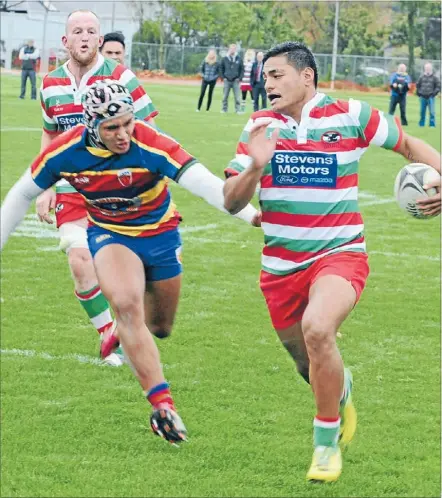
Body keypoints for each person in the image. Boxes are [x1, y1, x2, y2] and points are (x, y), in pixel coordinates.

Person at [222, 41, 441, 482]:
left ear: (307, 77)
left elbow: (408, 144)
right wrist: (254, 169)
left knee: (319, 328)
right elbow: (231, 202)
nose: (268, 84)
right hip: (280, 267)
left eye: (277, 75)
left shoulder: (351, 114)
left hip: (339, 255)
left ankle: (325, 445)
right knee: (307, 361)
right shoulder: (259, 127)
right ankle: (340, 394)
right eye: (266, 77)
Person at [0, 79, 260, 445]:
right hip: (111, 234)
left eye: (127, 123)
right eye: (111, 128)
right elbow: (21, 194)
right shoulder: (66, 151)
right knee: (125, 304)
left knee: (161, 326)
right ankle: (162, 406)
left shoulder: (151, 142)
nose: (123, 134)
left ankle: (122, 333)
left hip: (161, 235)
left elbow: (203, 183)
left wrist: (251, 216)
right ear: (92, 126)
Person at [35, 10, 158, 367]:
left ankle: (127, 322)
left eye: (91, 31)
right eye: (77, 31)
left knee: (124, 272)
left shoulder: (121, 76)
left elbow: (148, 127)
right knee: (78, 258)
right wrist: (46, 186)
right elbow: (51, 132)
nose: (85, 36)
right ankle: (108, 335)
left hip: (118, 189)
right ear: (66, 41)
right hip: (73, 189)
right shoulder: (51, 83)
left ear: (100, 40)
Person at [220, 44, 244, 114]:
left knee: (237, 97)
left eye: (234, 49)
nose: (232, 50)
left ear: (235, 49)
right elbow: (221, 68)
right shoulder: (225, 58)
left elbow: (242, 69)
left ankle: (238, 110)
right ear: (229, 49)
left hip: (235, 80)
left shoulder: (239, 58)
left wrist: (239, 78)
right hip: (227, 80)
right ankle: (224, 109)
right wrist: (223, 77)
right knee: (225, 96)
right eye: (231, 49)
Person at [416, 63, 440, 127]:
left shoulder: (435, 77)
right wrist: (419, 93)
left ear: (431, 69)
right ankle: (421, 124)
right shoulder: (421, 77)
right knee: (422, 112)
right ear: (425, 69)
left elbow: (438, 86)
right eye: (426, 68)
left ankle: (432, 125)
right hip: (423, 97)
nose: (428, 69)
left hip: (431, 97)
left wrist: (433, 93)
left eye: (429, 68)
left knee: (432, 112)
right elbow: (417, 85)